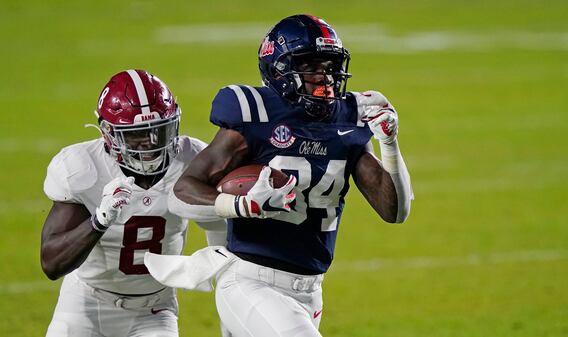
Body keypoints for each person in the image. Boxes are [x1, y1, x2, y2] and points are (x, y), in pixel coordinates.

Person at [164, 14, 413, 337]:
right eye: (311, 66)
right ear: (280, 71)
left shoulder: (349, 119)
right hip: (250, 280)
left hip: (310, 290)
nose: (324, 77)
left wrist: (390, 144)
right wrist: (241, 205)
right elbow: (182, 192)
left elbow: (394, 211)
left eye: (329, 66)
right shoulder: (256, 115)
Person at [40, 69, 227, 337]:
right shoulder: (82, 168)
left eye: (158, 131)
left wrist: (217, 273)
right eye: (137, 134)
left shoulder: (191, 159)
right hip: (86, 305)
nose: (150, 143)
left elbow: (220, 226)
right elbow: (51, 264)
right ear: (109, 134)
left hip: (154, 309)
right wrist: (99, 220)